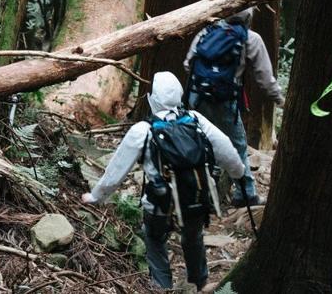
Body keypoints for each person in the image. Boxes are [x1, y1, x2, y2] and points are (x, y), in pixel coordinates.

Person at [81, 71, 245, 291]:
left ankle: (162, 287)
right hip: (195, 199)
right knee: (193, 237)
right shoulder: (197, 121)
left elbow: (117, 169)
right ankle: (199, 282)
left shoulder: (143, 130)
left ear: (152, 99)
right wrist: (238, 173)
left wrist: (95, 196)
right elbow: (226, 149)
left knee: (154, 239)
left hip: (159, 204)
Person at [184, 7, 284, 207]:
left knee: (202, 143)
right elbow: (265, 79)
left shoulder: (207, 31)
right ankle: (245, 194)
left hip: (197, 98)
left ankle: (200, 195)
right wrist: (281, 100)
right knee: (237, 146)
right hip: (224, 101)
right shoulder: (250, 38)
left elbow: (188, 64)